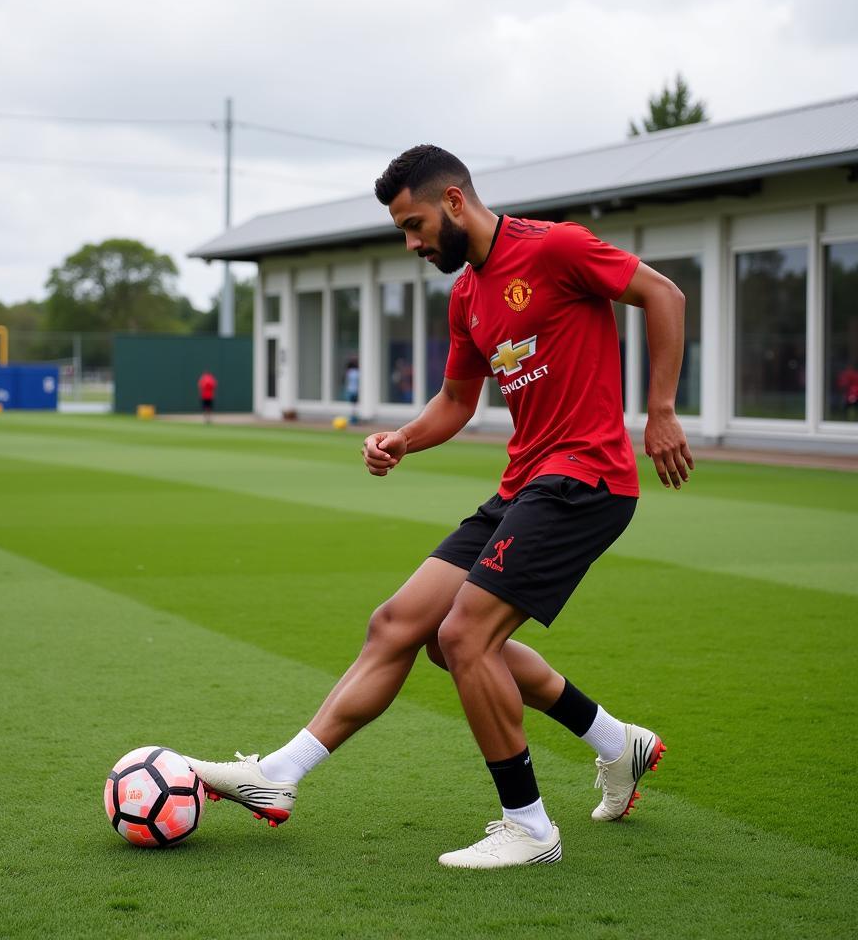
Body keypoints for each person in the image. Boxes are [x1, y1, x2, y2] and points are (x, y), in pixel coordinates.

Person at [188, 145, 693, 868]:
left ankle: (529, 828)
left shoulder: (555, 248)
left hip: (586, 480)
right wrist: (402, 439)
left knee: (464, 639)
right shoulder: (466, 297)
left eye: (415, 224)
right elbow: (458, 401)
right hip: (525, 483)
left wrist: (663, 409)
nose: (413, 242)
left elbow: (664, 295)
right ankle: (280, 776)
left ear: (454, 201)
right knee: (404, 625)